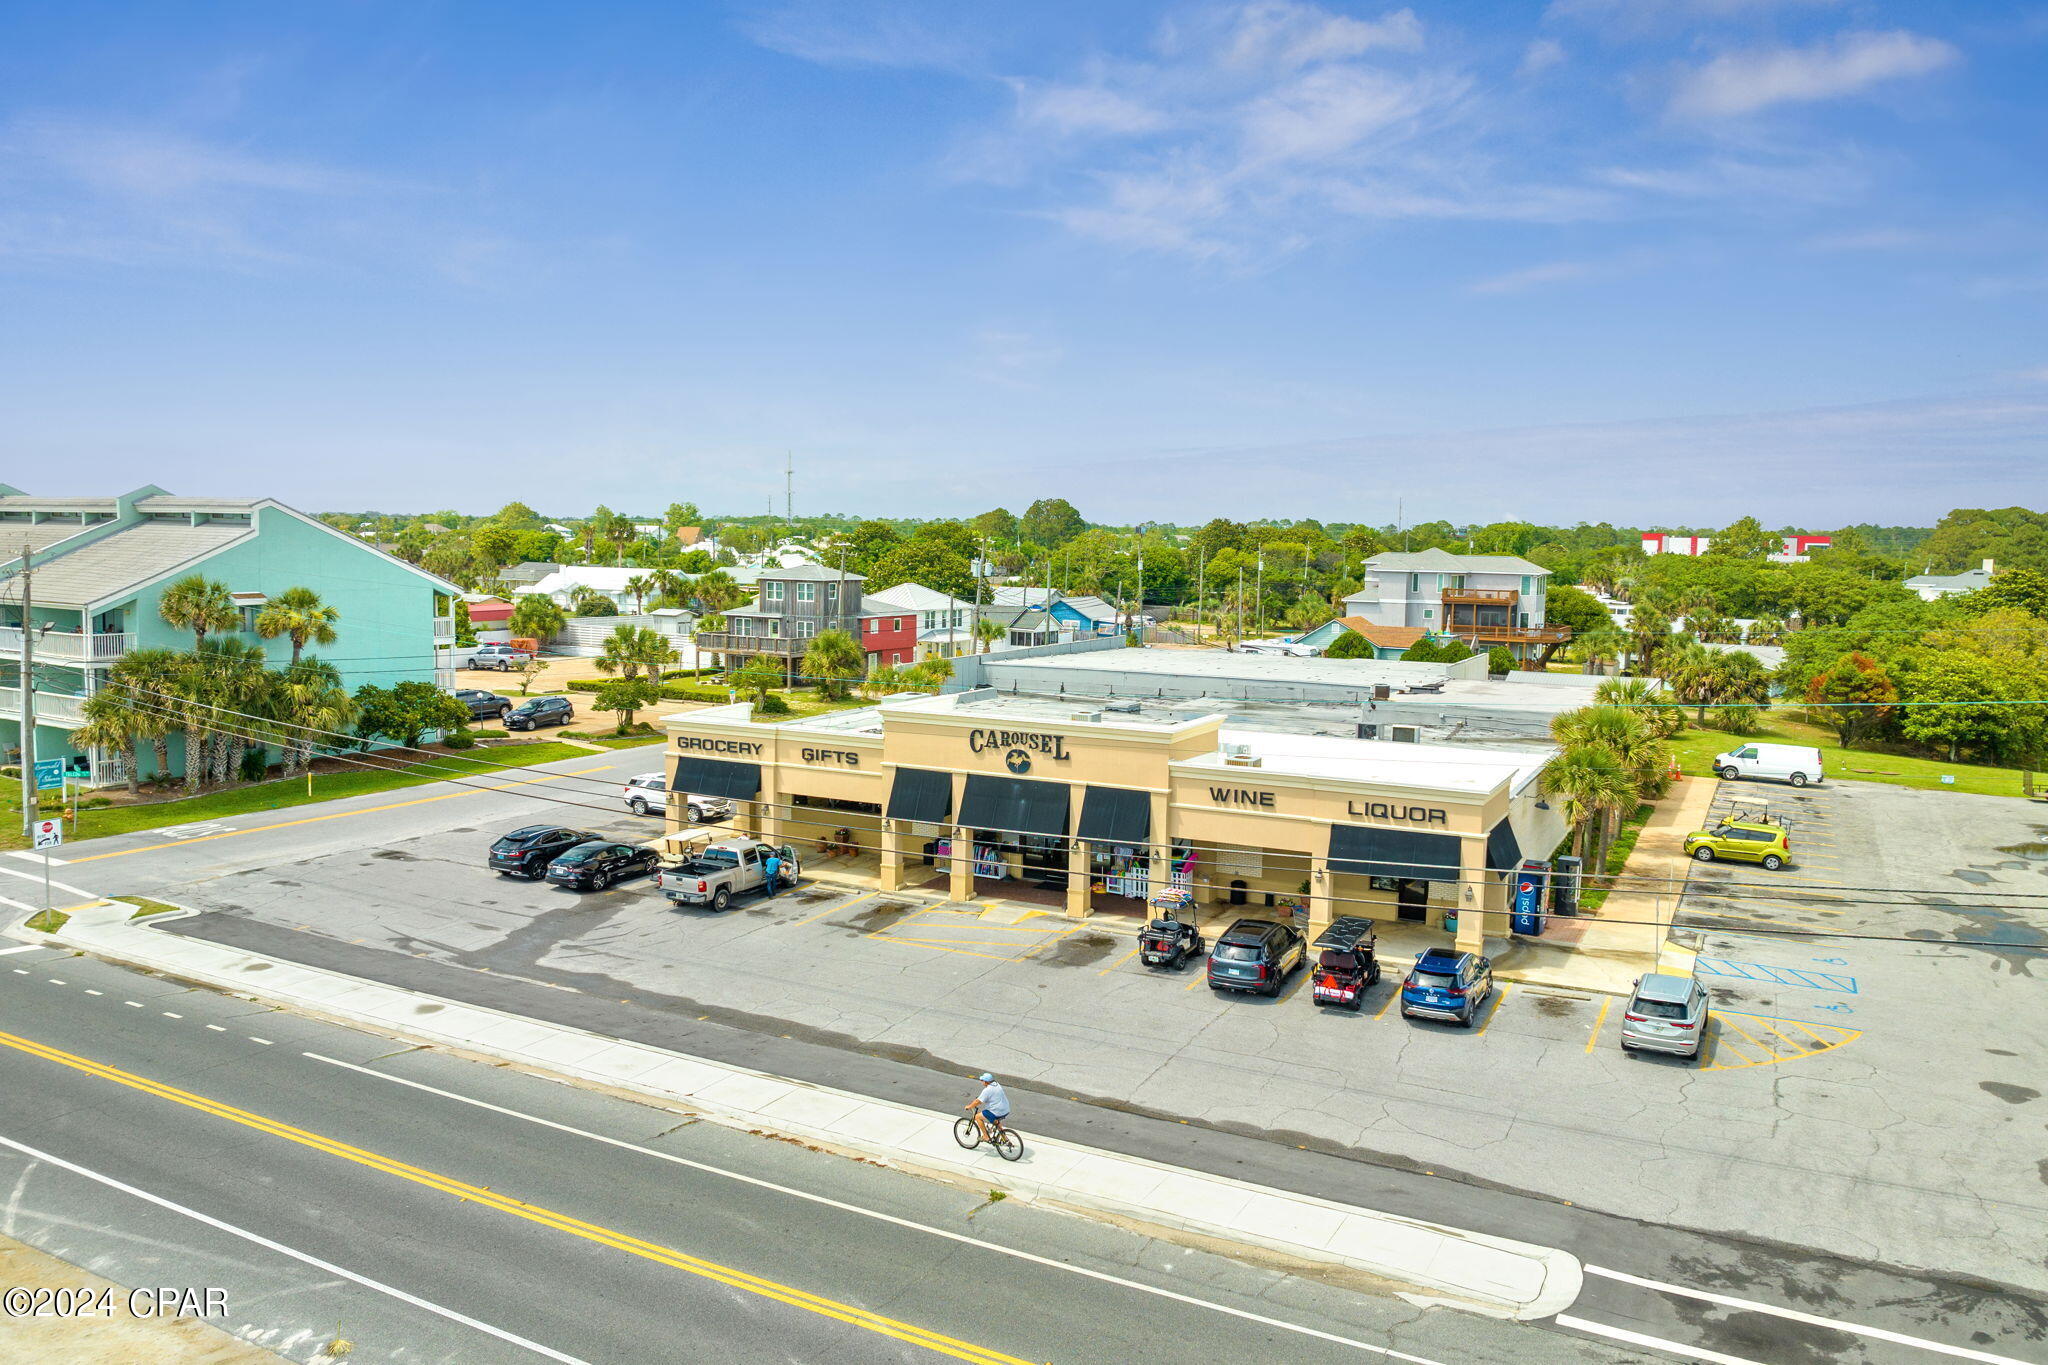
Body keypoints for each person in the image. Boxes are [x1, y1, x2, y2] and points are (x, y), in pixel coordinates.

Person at [966, 1072, 1010, 1141]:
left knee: (977, 1117)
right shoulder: (997, 1084)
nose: (981, 1082)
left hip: (997, 1111)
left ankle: (986, 1137)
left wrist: (969, 1106)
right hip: (1006, 1109)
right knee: (996, 1122)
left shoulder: (987, 1090)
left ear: (986, 1082)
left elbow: (978, 1101)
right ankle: (1005, 1138)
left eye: (982, 1080)